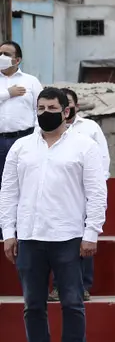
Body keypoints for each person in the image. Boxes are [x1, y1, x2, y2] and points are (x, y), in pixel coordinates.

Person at [1, 86, 108, 342]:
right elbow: (8, 193)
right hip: (30, 237)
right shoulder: (20, 148)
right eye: (41, 109)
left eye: (51, 109)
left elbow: (97, 193)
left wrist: (91, 233)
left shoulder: (85, 146)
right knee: (32, 305)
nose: (45, 114)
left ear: (66, 111)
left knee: (72, 303)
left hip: (68, 237)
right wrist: (8, 233)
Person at [49, 87, 111, 303]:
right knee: (58, 241)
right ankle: (58, 287)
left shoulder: (90, 128)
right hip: (59, 195)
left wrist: (95, 190)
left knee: (85, 240)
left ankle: (83, 286)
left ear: (73, 106)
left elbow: (103, 160)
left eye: (68, 103)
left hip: (85, 194)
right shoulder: (47, 130)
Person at [0, 40, 43, 219]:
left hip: (24, 139)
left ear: (17, 60)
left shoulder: (31, 81)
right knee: (3, 186)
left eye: (6, 54)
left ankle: (23, 226)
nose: (1, 57)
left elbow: (40, 109)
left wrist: (36, 137)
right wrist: (7, 93)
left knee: (25, 184)